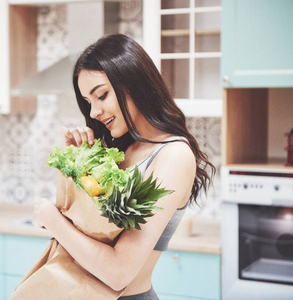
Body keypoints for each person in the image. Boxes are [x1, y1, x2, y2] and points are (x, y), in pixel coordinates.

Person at [32, 34, 215, 300]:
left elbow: (119, 273)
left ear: (134, 83)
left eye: (102, 95)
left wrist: (52, 218)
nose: (93, 111)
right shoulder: (121, 149)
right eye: (88, 102)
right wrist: (75, 164)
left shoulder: (173, 155)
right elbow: (84, 227)